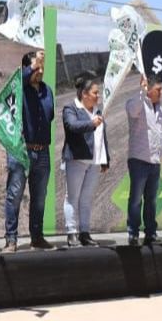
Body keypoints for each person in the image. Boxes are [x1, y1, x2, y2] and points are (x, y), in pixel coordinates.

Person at [3, 50, 54, 252]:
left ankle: (37, 236)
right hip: (21, 151)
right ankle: (11, 239)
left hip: (42, 152)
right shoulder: (18, 89)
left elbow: (48, 116)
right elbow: (17, 79)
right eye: (35, 67)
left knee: (39, 198)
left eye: (42, 67)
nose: (40, 70)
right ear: (25, 68)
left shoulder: (47, 90)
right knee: (14, 195)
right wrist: (31, 68)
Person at [62, 77, 109, 247]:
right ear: (84, 94)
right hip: (77, 159)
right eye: (95, 93)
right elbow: (72, 126)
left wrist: (105, 159)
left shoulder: (98, 111)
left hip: (95, 162)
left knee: (87, 199)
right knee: (72, 197)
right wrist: (91, 124)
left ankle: (84, 233)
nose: (98, 96)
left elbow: (102, 136)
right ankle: (71, 233)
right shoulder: (71, 108)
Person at [125, 74, 162, 246]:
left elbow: (161, 133)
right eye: (158, 89)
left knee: (151, 199)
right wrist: (142, 92)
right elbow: (131, 111)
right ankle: (133, 232)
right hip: (138, 159)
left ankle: (150, 232)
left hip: (154, 162)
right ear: (149, 89)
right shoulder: (137, 102)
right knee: (136, 199)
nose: (161, 92)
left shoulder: (161, 110)